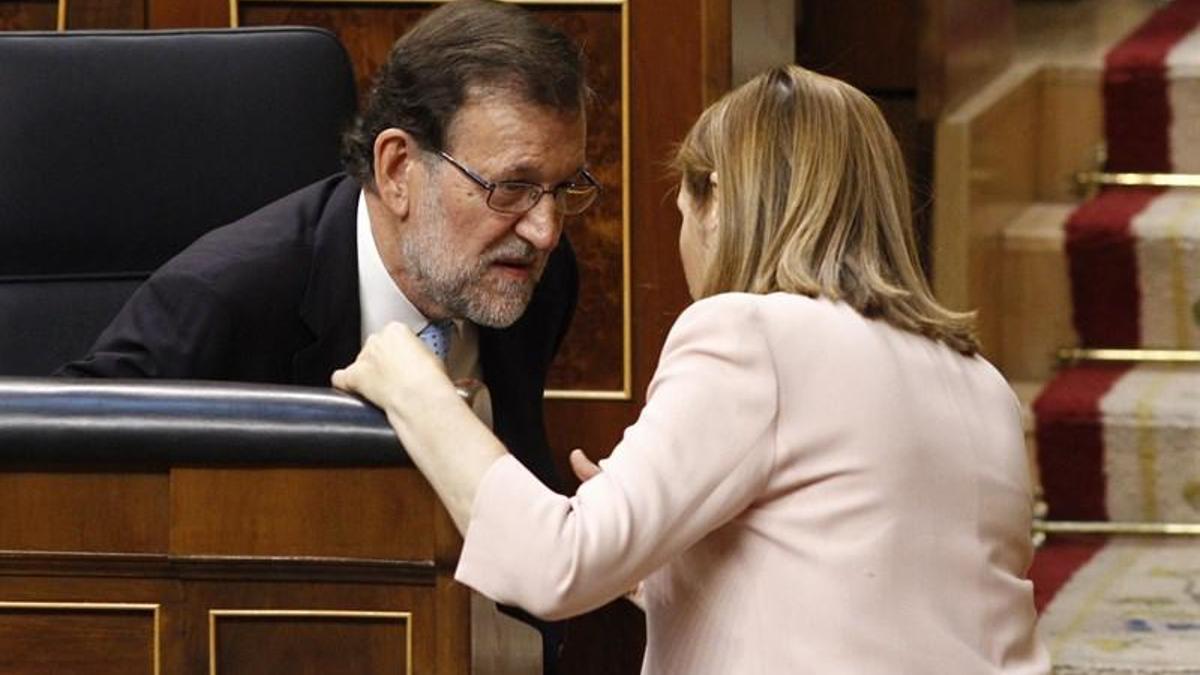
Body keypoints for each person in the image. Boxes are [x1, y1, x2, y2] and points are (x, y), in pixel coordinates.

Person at [333, 64, 1051, 674]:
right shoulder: (980, 381)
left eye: (682, 208)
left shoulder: (749, 334)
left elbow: (553, 564)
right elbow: (879, 595)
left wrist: (416, 386)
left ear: (715, 204)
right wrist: (671, 559)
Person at [58, 0, 591, 670]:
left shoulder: (533, 277)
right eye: (511, 188)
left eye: (562, 188)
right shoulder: (223, 299)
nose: (545, 229)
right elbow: (51, 474)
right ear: (398, 169)